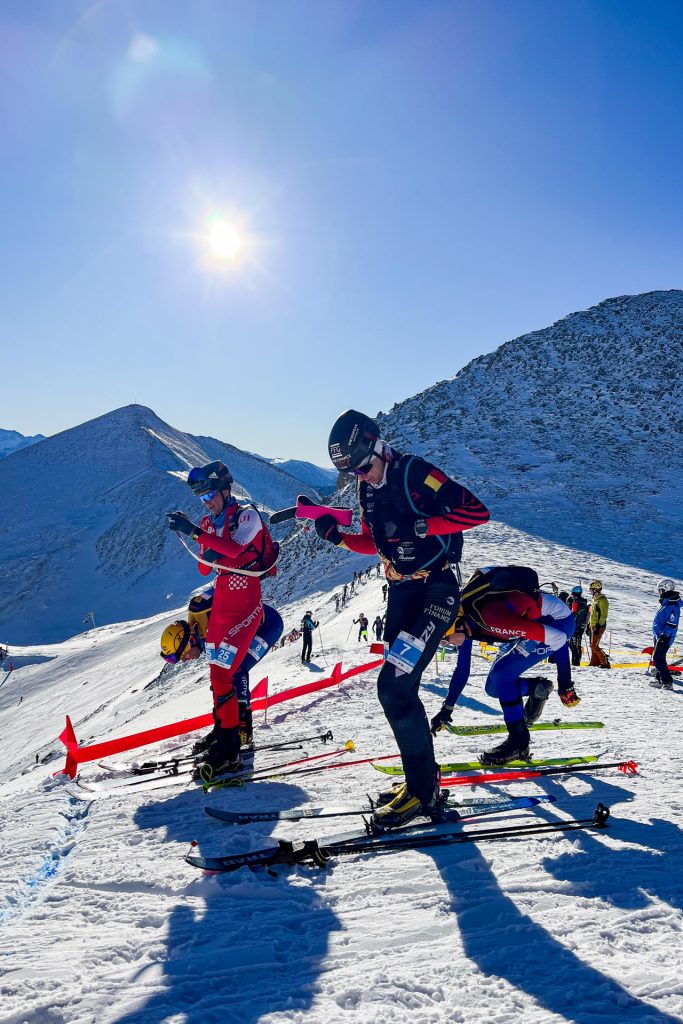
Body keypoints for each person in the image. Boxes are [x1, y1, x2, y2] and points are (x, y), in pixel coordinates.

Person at [316, 409, 489, 829]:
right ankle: (423, 782)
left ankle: (422, 791)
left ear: (378, 446)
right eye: (354, 472)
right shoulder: (366, 490)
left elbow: (475, 511)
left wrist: (427, 525)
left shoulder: (414, 472)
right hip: (403, 592)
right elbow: (376, 543)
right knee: (400, 690)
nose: (364, 476)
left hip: (437, 589)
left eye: (365, 466)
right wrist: (336, 536)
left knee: (393, 688)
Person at [166, 460, 278, 780]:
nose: (208, 502)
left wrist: (198, 533)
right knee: (217, 675)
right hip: (223, 605)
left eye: (211, 495)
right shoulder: (208, 521)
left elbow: (234, 549)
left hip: (245, 605)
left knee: (226, 674)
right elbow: (204, 568)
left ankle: (231, 750)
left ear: (226, 490)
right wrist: (199, 535)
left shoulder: (247, 515)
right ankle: (223, 733)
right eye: (203, 498)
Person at [430, 566, 578, 762]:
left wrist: (565, 685)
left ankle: (519, 742)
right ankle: (536, 688)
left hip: (557, 623)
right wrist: (446, 709)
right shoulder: (464, 616)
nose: (446, 644)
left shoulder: (490, 617)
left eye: (445, 639)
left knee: (502, 675)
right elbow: (462, 670)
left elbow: (558, 639)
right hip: (524, 623)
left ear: (455, 626)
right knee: (493, 687)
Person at [160, 590, 283, 750]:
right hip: (254, 625)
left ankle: (244, 730)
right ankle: (223, 728)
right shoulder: (200, 626)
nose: (184, 660)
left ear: (190, 641)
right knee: (221, 677)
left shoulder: (208, 629)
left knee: (238, 667)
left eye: (182, 655)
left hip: (268, 626)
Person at [650, 578, 682, 690]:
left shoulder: (672, 605)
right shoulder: (667, 602)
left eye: (660, 590)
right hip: (660, 635)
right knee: (660, 657)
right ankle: (660, 680)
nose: (659, 593)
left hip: (665, 636)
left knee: (657, 659)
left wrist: (664, 636)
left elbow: (671, 624)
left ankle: (667, 682)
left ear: (666, 589)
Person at [588, 580, 610, 668]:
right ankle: (594, 663)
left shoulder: (603, 600)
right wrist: (589, 625)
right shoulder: (594, 599)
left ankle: (605, 662)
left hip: (599, 625)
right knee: (592, 645)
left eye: (591, 590)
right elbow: (593, 613)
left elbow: (604, 615)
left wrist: (599, 626)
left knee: (594, 645)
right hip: (593, 625)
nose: (590, 591)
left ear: (596, 590)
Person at [567, 585, 589, 666]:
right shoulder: (578, 602)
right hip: (578, 627)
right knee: (574, 645)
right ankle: (576, 662)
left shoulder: (579, 603)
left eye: (572, 594)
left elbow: (577, 616)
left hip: (577, 628)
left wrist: (577, 628)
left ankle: (576, 663)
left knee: (574, 645)